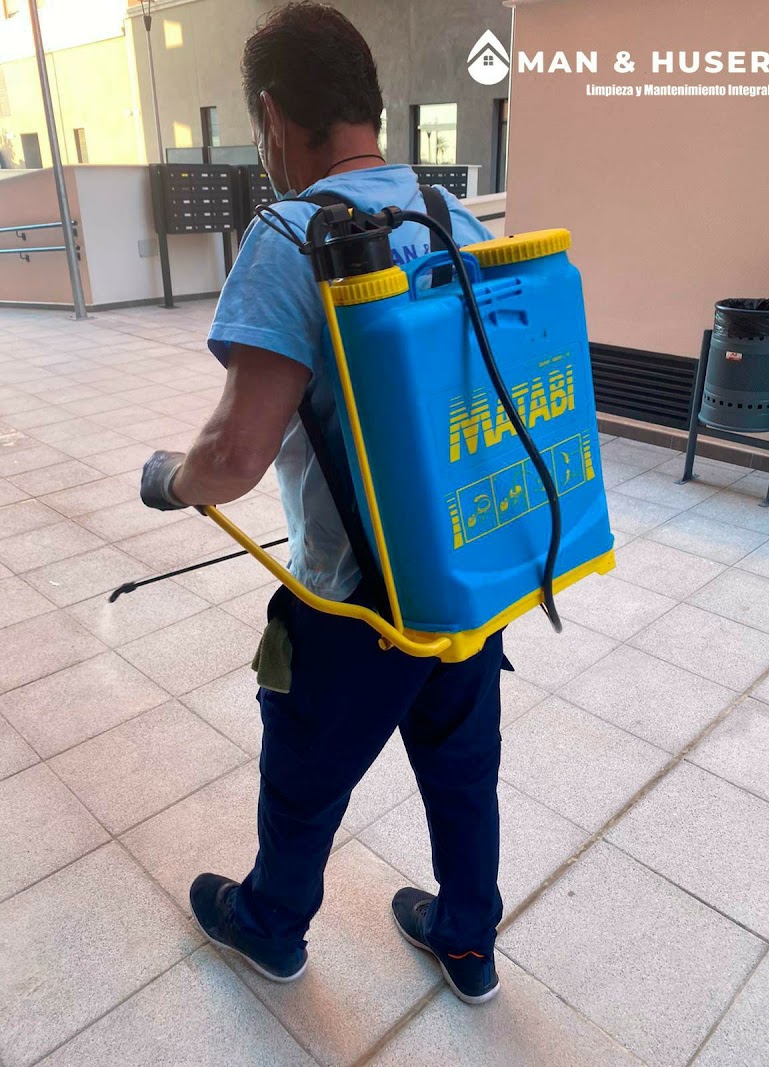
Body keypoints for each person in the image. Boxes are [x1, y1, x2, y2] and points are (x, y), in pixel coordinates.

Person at [140, 0, 504, 1005]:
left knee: (303, 764)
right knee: (462, 770)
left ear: (272, 115)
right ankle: (467, 940)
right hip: (467, 572)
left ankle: (270, 922)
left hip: (353, 598)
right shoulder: (453, 216)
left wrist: (170, 478)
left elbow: (234, 452)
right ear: (370, 106)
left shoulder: (291, 232)